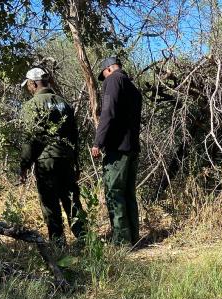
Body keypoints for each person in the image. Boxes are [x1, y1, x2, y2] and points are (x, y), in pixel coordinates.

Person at [20, 67, 85, 246]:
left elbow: (30, 137)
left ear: (33, 84)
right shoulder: (64, 103)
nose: (28, 88)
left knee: (50, 203)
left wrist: (24, 165)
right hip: (66, 159)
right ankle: (85, 241)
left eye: (28, 85)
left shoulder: (32, 105)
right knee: (72, 201)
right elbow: (74, 136)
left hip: (46, 160)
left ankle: (58, 245)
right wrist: (76, 162)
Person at [92, 56, 142, 246]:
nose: (104, 79)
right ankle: (133, 238)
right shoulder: (132, 87)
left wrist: (98, 142)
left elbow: (108, 112)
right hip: (132, 147)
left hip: (118, 150)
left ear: (108, 70)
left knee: (114, 192)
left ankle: (121, 242)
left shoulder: (113, 80)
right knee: (128, 193)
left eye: (103, 75)